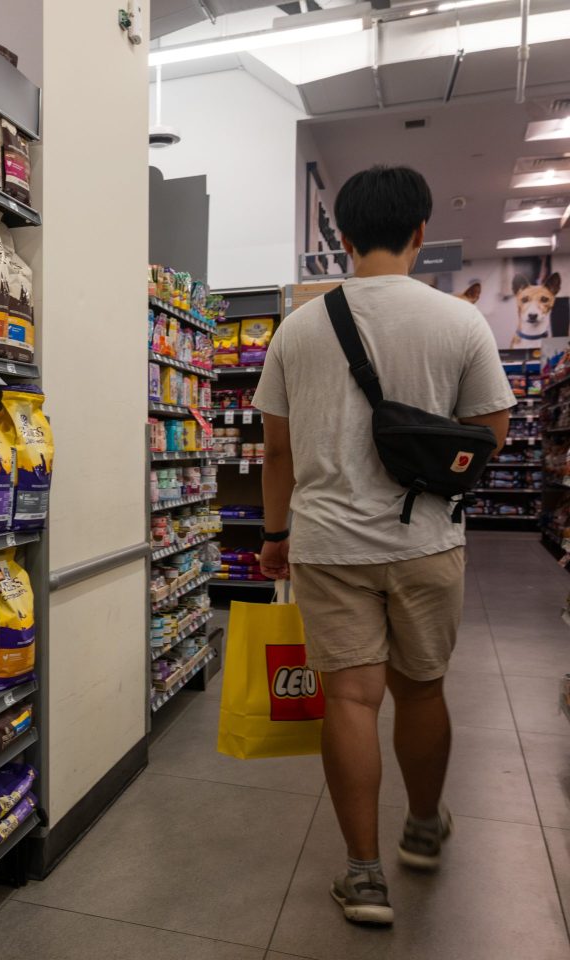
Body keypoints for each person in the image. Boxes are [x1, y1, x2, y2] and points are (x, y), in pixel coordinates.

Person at [252, 165, 516, 926]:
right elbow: (491, 434)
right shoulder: (459, 322)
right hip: (426, 537)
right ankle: (424, 828)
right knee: (423, 690)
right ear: (421, 232)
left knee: (351, 699)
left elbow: (277, 451)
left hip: (328, 545)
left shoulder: (298, 329)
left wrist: (274, 536)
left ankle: (363, 876)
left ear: (341, 238)